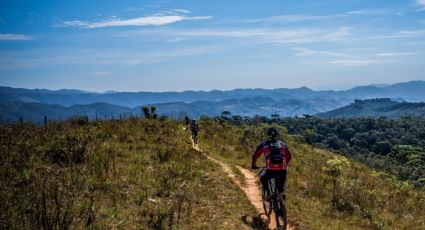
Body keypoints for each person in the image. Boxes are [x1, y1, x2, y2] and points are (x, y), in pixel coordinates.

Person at [252, 128, 292, 201]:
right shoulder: (282, 144)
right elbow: (289, 156)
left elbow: (255, 155)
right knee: (281, 184)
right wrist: (284, 164)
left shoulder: (264, 144)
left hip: (270, 170)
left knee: (262, 177)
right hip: (282, 170)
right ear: (276, 135)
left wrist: (253, 165)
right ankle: (281, 193)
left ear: (268, 135)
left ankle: (268, 193)